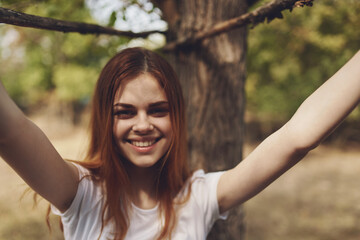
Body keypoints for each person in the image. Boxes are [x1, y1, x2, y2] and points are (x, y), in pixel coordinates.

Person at [0, 47, 359, 240]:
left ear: (177, 117)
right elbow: (9, 131)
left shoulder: (199, 197)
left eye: (158, 110)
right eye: (125, 112)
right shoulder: (80, 193)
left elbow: (297, 138)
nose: (143, 125)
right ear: (105, 120)